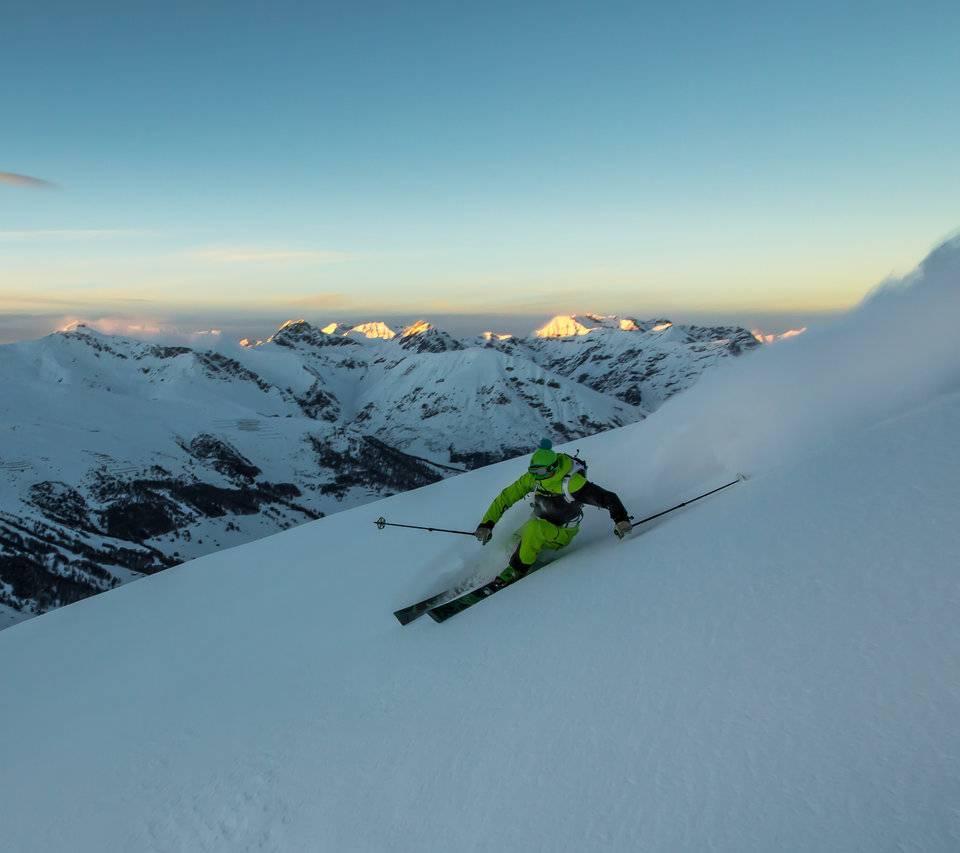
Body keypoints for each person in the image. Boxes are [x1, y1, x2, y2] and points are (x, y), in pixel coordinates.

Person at [474, 439, 632, 585]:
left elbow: (608, 498)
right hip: (539, 522)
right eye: (533, 471)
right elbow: (506, 497)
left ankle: (516, 570)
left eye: (540, 472)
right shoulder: (534, 478)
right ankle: (494, 569)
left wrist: (621, 520)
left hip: (561, 533)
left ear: (553, 468)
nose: (536, 476)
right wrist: (487, 524)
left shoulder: (572, 483)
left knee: (533, 528)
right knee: (512, 541)